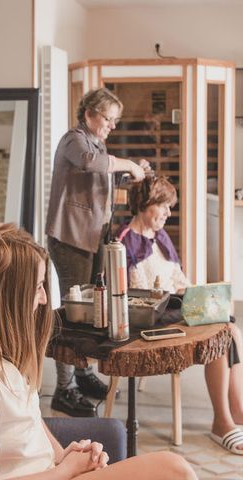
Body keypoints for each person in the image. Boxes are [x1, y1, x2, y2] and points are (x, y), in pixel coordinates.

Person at [0, 223, 197, 480]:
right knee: (174, 470)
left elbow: (28, 422)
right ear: (8, 294)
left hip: (52, 471)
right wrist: (66, 470)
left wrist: (61, 454)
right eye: (38, 286)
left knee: (174, 470)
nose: (43, 299)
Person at [117, 175, 243, 455]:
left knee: (230, 327)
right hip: (149, 321)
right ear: (147, 204)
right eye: (164, 206)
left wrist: (194, 294)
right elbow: (135, 296)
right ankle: (222, 421)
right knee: (220, 330)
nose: (169, 213)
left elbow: (177, 276)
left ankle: (238, 411)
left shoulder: (159, 236)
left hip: (173, 307)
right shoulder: (123, 242)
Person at [45, 87, 150, 417]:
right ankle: (64, 390)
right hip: (71, 239)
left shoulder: (98, 144)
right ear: (89, 114)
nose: (112, 126)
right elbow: (93, 165)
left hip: (92, 238)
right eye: (109, 118)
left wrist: (132, 170)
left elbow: (103, 174)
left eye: (116, 120)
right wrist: (128, 163)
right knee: (74, 313)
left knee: (91, 308)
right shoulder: (73, 141)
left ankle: (83, 373)